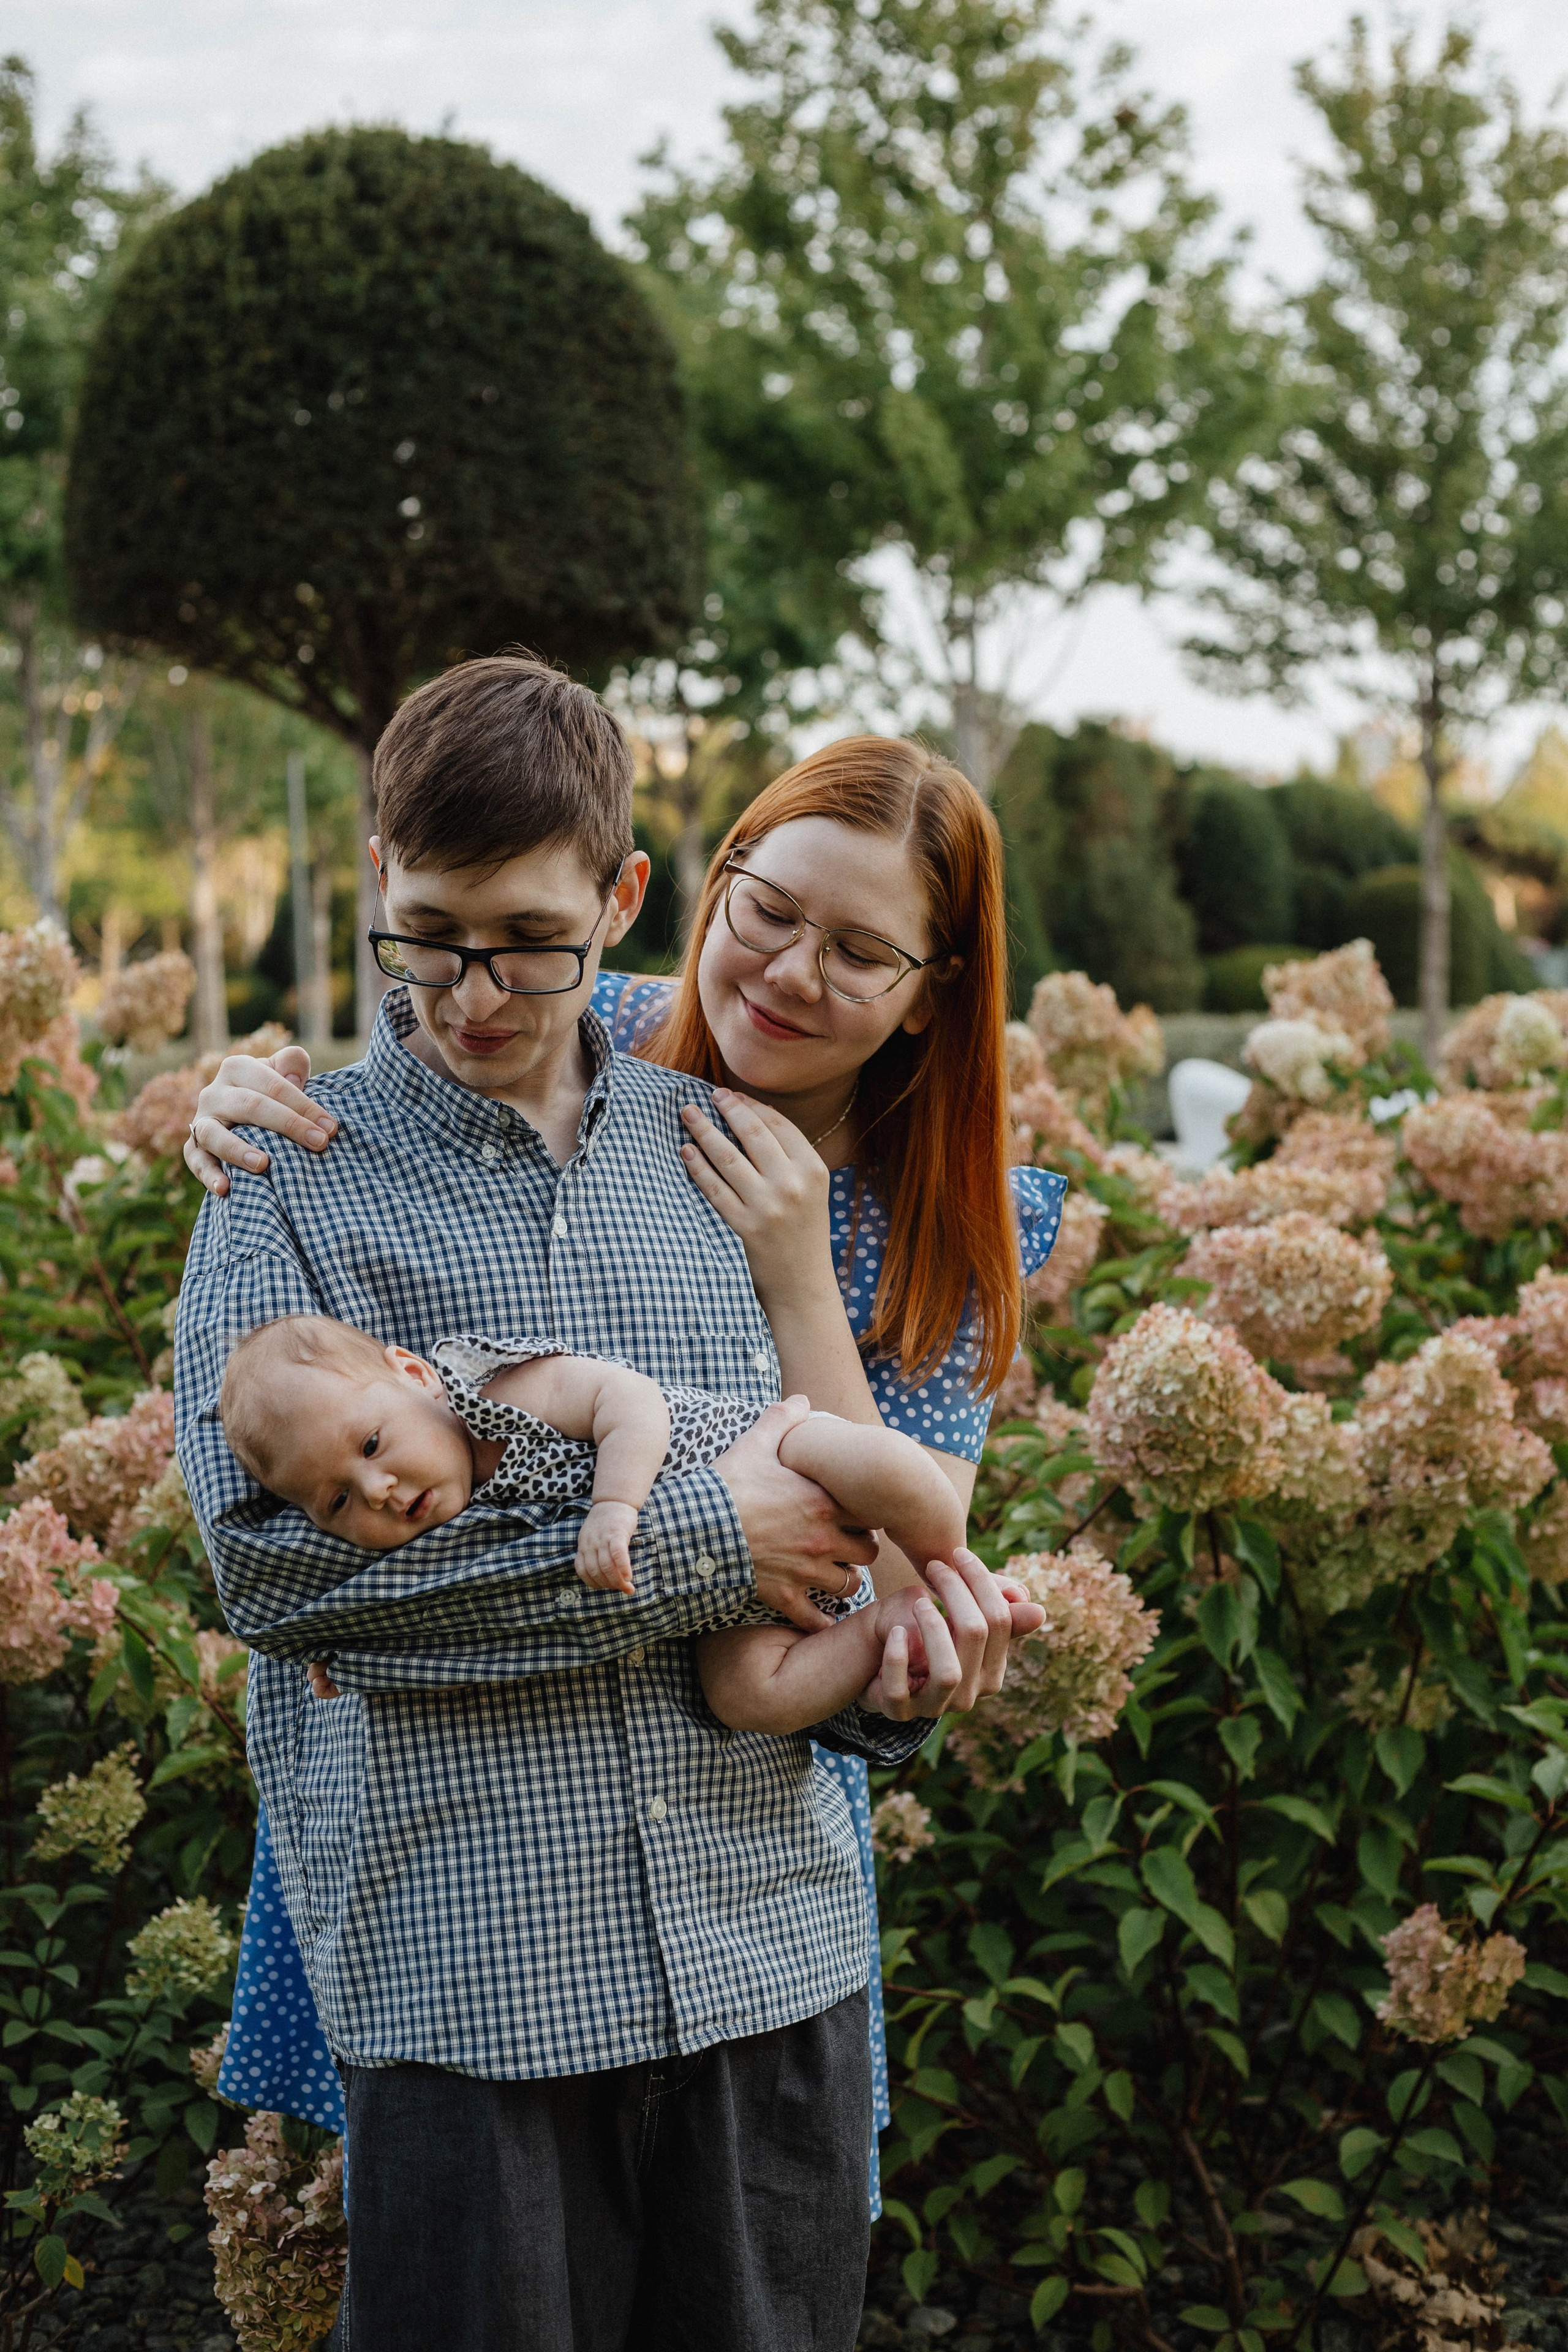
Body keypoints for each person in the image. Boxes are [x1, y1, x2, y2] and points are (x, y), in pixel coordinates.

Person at [176, 665, 1050, 2352]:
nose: (474, 990)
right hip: (478, 1990)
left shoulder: (731, 1163)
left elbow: (830, 1552)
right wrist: (714, 1540)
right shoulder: (283, 1178)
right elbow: (279, 1577)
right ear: (376, 877)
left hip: (768, 1967)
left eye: (529, 940)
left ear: (617, 901)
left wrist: (899, 1650)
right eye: (428, 936)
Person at [218, 1313, 1036, 1730]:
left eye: (371, 1444)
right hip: (727, 1604)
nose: (377, 1490)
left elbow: (630, 1400)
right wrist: (370, 1650)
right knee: (747, 1698)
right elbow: (459, 1618)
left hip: (766, 1453)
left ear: (413, 1374)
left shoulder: (495, 1397)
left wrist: (617, 1505)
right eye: (336, 1502)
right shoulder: (437, 1534)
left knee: (886, 1468)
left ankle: (951, 1566)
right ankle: (884, 1626)